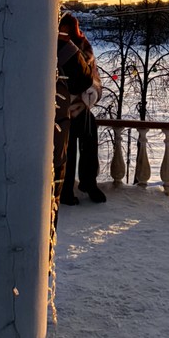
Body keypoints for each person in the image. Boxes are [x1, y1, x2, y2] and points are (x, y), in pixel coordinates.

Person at [58, 11, 106, 205]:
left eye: (69, 29)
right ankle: (66, 189)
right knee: (66, 150)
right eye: (63, 29)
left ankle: (89, 183)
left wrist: (91, 93)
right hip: (62, 108)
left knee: (89, 146)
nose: (66, 33)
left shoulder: (84, 47)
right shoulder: (54, 46)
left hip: (82, 108)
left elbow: (94, 78)